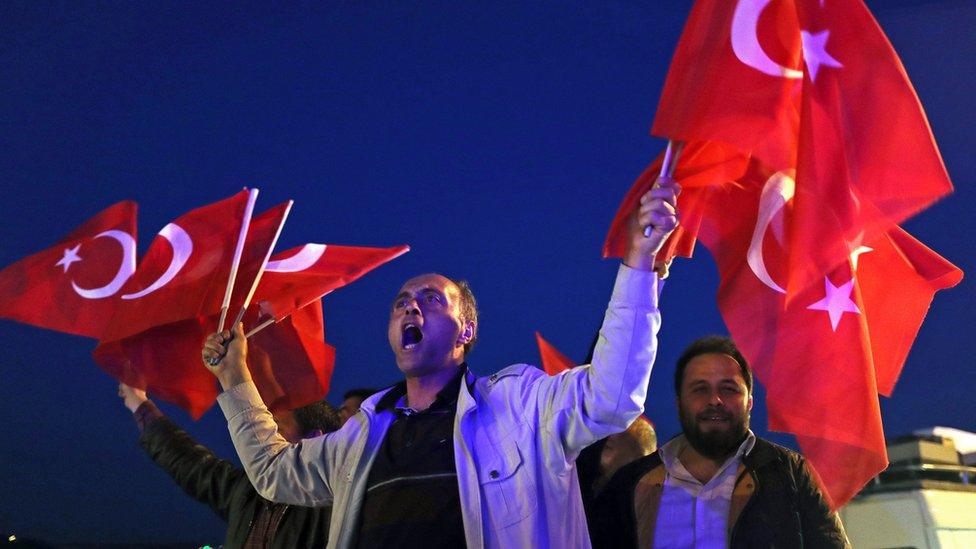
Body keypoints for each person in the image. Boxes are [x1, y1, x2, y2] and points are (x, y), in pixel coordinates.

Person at [201, 178, 680, 548]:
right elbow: (272, 472)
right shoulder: (359, 436)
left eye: (431, 299)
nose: (411, 306)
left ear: (466, 330)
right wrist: (234, 376)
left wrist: (639, 265)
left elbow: (612, 398)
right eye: (401, 301)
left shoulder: (520, 407)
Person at [593, 336, 850, 548]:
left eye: (728, 388)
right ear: (678, 402)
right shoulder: (630, 484)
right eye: (700, 389)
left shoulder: (790, 475)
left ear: (750, 401)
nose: (715, 400)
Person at [118, 383, 341, 548]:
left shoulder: (339, 507)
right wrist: (138, 402)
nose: (263, 438)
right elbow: (191, 462)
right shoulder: (246, 492)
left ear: (313, 441)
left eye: (275, 428)